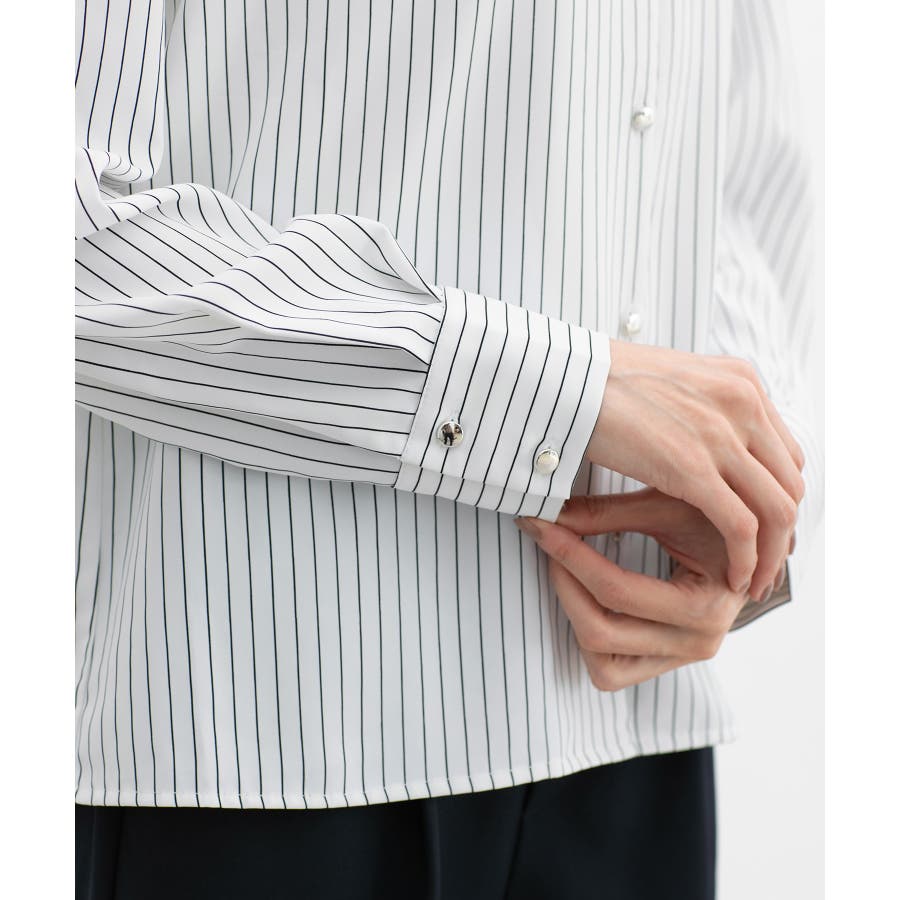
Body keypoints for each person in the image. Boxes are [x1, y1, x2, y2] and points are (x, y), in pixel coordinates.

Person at [74, 1, 822, 897]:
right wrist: (563, 392)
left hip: (632, 729)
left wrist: (753, 494)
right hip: (266, 735)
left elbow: (744, 177)